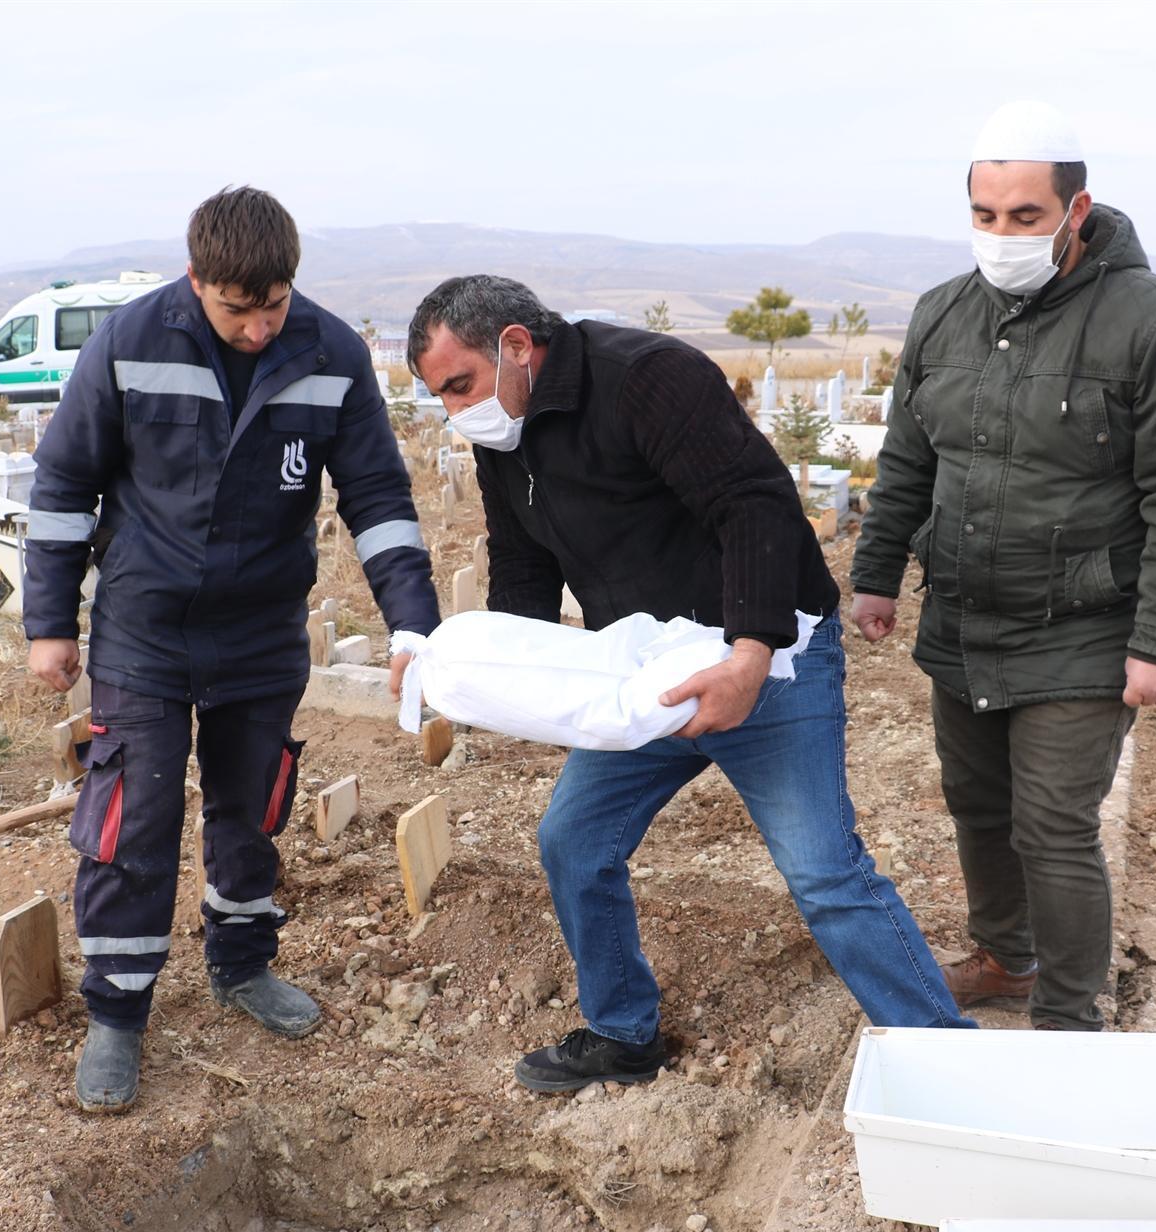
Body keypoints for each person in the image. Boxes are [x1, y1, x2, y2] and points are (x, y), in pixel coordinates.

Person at [407, 275, 974, 1094]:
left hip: (768, 652)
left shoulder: (647, 377)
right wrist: (498, 675)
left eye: (461, 385)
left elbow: (753, 507)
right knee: (575, 841)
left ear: (518, 348)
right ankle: (622, 1033)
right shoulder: (505, 432)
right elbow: (523, 560)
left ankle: (948, 1058)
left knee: (822, 870)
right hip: (647, 673)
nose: (459, 411)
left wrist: (748, 656)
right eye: (439, 398)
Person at [24, 187, 441, 1111]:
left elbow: (376, 497)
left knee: (251, 807)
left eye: (274, 305)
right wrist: (50, 623)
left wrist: (416, 626)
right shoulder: (131, 342)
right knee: (132, 817)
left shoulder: (329, 354)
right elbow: (64, 485)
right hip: (145, 628)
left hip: (260, 630)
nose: (258, 328)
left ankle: (242, 966)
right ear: (195, 280)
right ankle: (119, 1013)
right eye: (236, 309)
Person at [849, 102, 1156, 1032]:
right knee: (976, 805)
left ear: (1077, 208)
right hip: (965, 618)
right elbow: (908, 456)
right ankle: (1005, 959)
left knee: (1054, 826)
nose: (1002, 235)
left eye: (1025, 216)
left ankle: (1069, 1018)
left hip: (1085, 625)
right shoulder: (942, 313)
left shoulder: (1154, 323)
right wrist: (875, 571)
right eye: (985, 215)